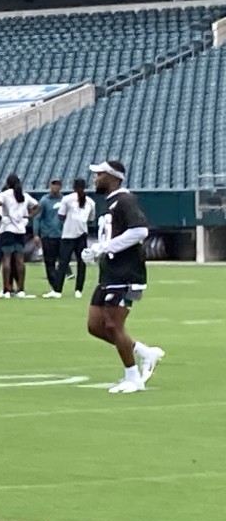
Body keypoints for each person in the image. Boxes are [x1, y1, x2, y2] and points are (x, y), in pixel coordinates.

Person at [83, 160, 164, 394]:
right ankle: (143, 352)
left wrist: (106, 247)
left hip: (126, 272)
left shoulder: (126, 200)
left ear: (112, 176)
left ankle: (133, 377)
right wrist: (97, 250)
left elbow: (140, 231)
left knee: (112, 323)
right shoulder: (109, 203)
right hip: (109, 272)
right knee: (95, 326)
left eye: (100, 174)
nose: (96, 178)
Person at [0, 174, 39, 298]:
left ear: (8, 183)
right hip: (20, 230)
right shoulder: (24, 195)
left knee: (7, 260)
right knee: (20, 260)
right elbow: (37, 206)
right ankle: (21, 289)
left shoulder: (4, 194)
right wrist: (29, 216)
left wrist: (1, 214)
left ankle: (6, 289)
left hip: (7, 229)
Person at [57, 177, 96, 298]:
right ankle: (78, 290)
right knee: (81, 263)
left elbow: (61, 215)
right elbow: (90, 219)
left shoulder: (67, 199)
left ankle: (58, 290)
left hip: (68, 234)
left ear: (73, 186)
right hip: (82, 234)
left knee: (63, 262)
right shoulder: (91, 202)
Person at [36, 179, 65, 298]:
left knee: (62, 262)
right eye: (53, 185)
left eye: (57, 185)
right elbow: (38, 217)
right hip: (47, 235)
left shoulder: (64, 200)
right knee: (49, 262)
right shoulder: (44, 200)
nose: (55, 187)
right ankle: (55, 286)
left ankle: (57, 286)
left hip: (62, 235)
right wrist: (36, 234)